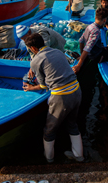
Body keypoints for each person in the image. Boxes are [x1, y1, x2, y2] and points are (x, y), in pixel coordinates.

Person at [22, 33, 83, 163]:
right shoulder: (57, 51)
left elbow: (43, 85)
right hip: (76, 90)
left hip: (61, 97)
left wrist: (30, 88)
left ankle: (49, 159)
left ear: (33, 48)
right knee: (72, 125)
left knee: (49, 130)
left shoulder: (35, 61)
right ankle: (79, 156)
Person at [73, 8, 108, 85]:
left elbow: (81, 41)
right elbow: (87, 48)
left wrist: (81, 55)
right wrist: (79, 65)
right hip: (97, 56)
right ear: (104, 20)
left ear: (95, 18)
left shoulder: (90, 26)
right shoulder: (96, 32)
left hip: (94, 53)